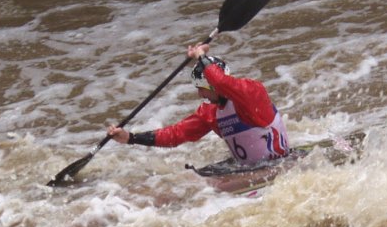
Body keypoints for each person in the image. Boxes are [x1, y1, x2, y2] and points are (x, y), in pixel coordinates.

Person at [107, 43, 290, 165]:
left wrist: (201, 56)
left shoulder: (251, 92)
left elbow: (221, 82)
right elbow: (176, 134)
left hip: (281, 164)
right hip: (248, 169)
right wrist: (131, 138)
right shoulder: (210, 112)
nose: (199, 93)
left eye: (202, 87)